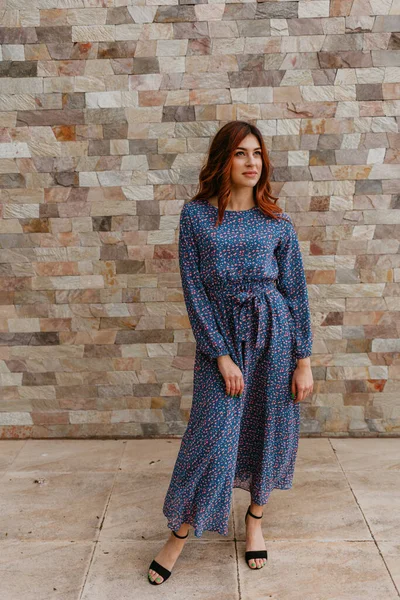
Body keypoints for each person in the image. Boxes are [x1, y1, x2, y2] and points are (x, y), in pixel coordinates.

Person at [148, 120, 314, 585]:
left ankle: (255, 520)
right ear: (224, 159)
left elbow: (296, 292)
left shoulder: (277, 223)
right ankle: (179, 533)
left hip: (274, 335)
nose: (251, 162)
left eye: (257, 154)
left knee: (269, 428)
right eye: (241, 153)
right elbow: (194, 289)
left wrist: (303, 360)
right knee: (213, 435)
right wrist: (219, 353)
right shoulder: (196, 216)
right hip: (220, 339)